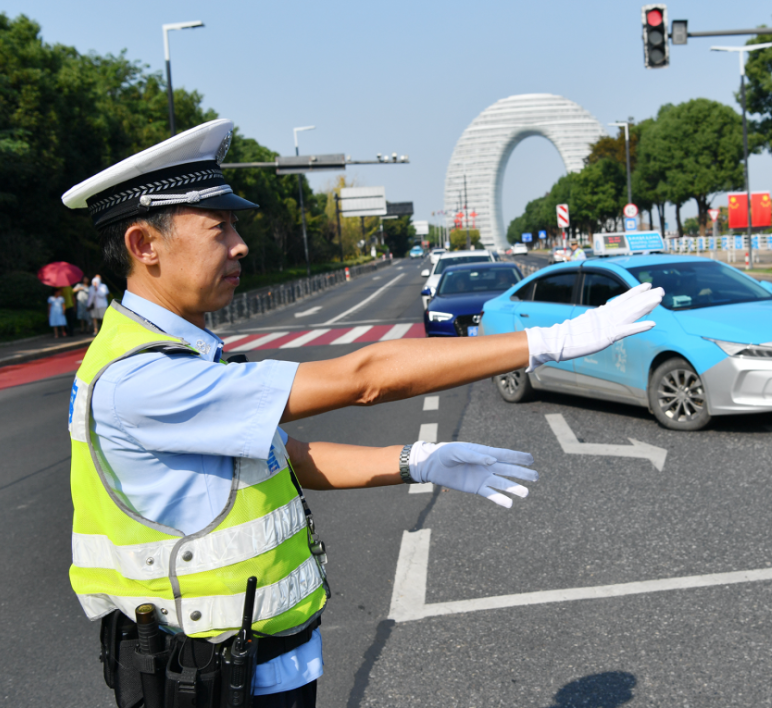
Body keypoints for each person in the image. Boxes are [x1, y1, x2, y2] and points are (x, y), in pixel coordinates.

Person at [61, 119, 662, 708]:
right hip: (204, 677)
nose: (240, 243)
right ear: (145, 245)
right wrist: (547, 342)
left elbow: (286, 457)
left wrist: (417, 461)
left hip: (251, 664)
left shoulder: (168, 355)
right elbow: (365, 378)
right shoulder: (143, 379)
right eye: (218, 228)